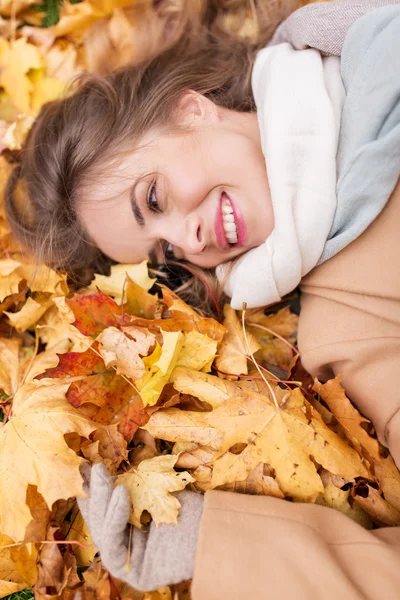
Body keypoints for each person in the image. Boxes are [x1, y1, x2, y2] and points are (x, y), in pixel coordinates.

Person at [5, 0, 400, 597]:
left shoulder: (347, 32)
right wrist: (195, 543)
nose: (188, 240)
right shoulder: (351, 327)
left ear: (191, 109)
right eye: (166, 255)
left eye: (155, 198)